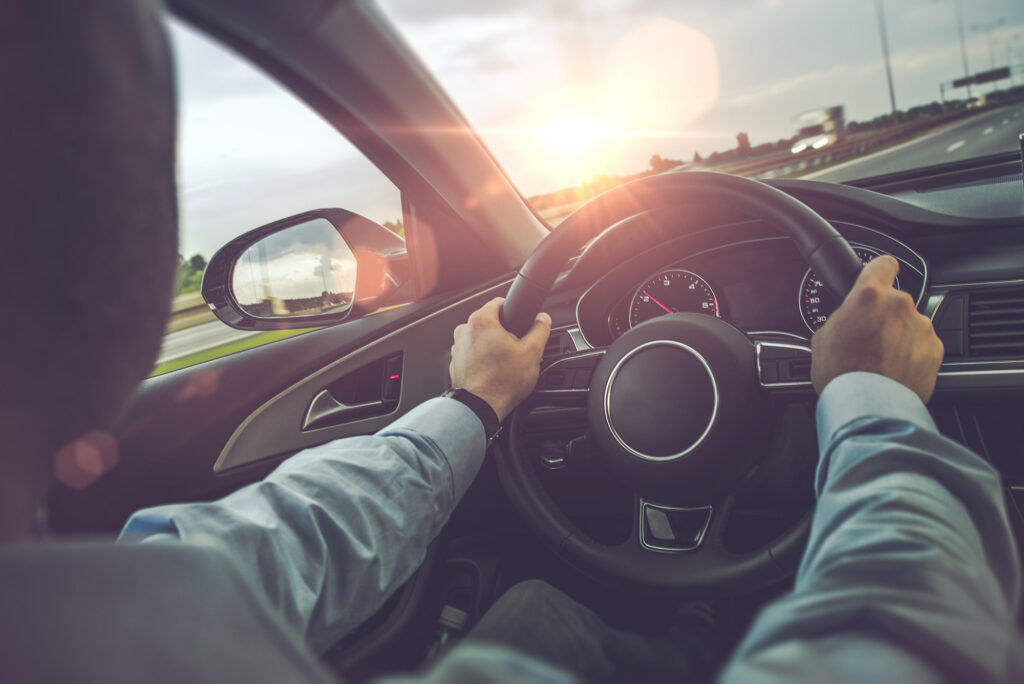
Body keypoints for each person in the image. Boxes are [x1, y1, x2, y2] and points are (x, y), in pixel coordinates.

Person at [1, 2, 1021, 683]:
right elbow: (903, 653)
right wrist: (872, 403)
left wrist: (477, 404)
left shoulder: (128, 600)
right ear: (109, 257)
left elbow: (290, 542)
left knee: (543, 613)